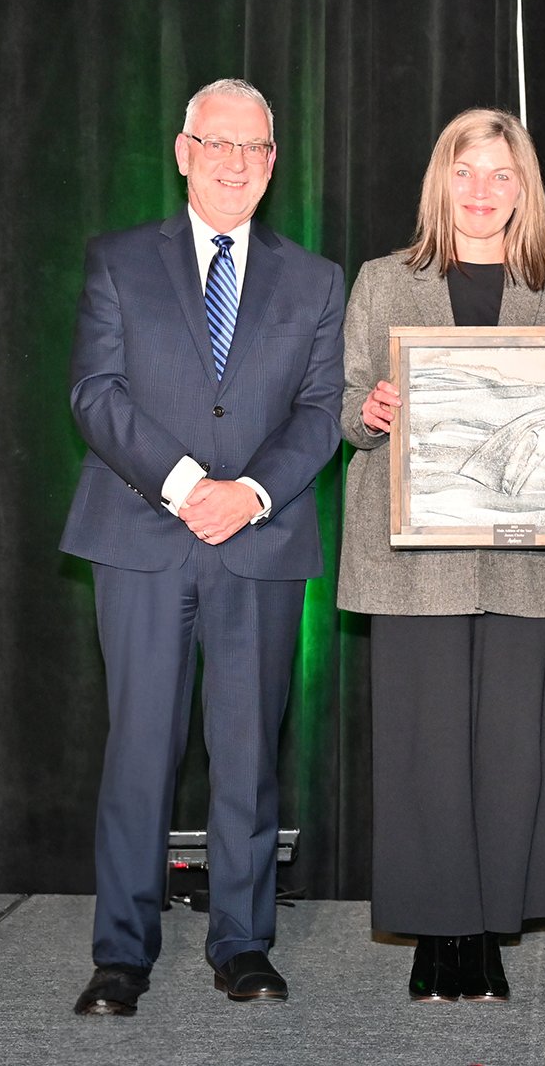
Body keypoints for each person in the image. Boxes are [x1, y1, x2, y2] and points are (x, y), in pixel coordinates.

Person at [59, 78, 344, 1016]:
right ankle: (121, 956)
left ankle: (243, 946)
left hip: (257, 544)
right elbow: (96, 396)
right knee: (139, 750)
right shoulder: (118, 261)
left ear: (272, 163)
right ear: (183, 152)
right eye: (215, 144)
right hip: (142, 537)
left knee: (247, 754)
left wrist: (250, 494)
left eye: (252, 148)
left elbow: (321, 411)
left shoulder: (315, 280)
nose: (233, 162)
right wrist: (188, 488)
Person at [337, 108, 545, 1003]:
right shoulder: (382, 280)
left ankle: (488, 928)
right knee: (424, 750)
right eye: (466, 173)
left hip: (526, 561)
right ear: (440, 182)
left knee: (511, 750)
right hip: (415, 558)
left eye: (502, 175)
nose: (482, 193)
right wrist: (366, 416)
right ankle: (435, 933)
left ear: (526, 191)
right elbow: (342, 404)